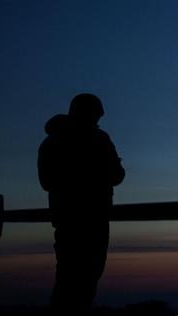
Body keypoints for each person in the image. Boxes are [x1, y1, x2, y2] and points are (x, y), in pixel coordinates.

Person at [38, 93, 125, 315]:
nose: (98, 120)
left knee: (69, 275)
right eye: (96, 115)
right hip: (93, 217)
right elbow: (117, 175)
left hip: (66, 219)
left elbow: (46, 181)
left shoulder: (51, 142)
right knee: (86, 274)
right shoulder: (99, 139)